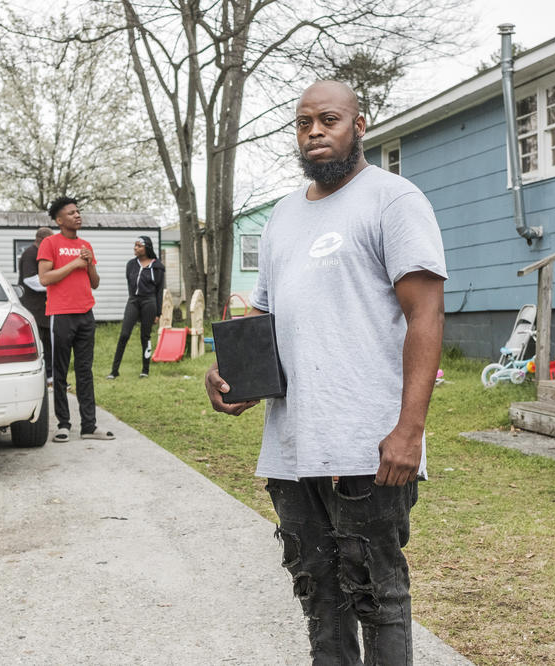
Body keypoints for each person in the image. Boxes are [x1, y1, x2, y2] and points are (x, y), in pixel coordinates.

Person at [205, 80, 446, 664]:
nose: (314, 130)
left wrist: (408, 429)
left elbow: (426, 312)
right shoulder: (283, 217)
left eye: (329, 119)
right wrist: (234, 374)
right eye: (304, 121)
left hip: (368, 441)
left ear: (358, 127)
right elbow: (266, 314)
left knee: (376, 593)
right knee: (318, 590)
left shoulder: (393, 198)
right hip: (292, 443)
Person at [37, 197, 114, 443]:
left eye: (78, 211)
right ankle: (63, 424)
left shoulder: (85, 244)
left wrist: (89, 263)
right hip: (60, 314)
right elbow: (45, 278)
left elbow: (95, 283)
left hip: (85, 314)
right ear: (59, 220)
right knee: (59, 371)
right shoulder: (50, 243)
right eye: (71, 213)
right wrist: (75, 263)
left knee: (85, 371)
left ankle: (89, 426)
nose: (77, 215)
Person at [107, 235, 165, 379]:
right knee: (124, 334)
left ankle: (145, 370)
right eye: (135, 245)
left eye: (139, 246)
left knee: (145, 336)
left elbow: (159, 291)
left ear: (147, 248)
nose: (135, 248)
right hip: (133, 301)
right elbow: (129, 284)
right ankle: (114, 371)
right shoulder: (131, 264)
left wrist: (158, 313)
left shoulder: (157, 266)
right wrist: (134, 300)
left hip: (149, 302)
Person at [18, 226, 54, 386]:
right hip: (32, 306)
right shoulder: (30, 254)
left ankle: (50, 377)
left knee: (48, 341)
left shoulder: (42, 254)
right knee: (37, 342)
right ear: (43, 240)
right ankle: (38, 377)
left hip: (44, 307)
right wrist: (53, 285)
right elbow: (30, 279)